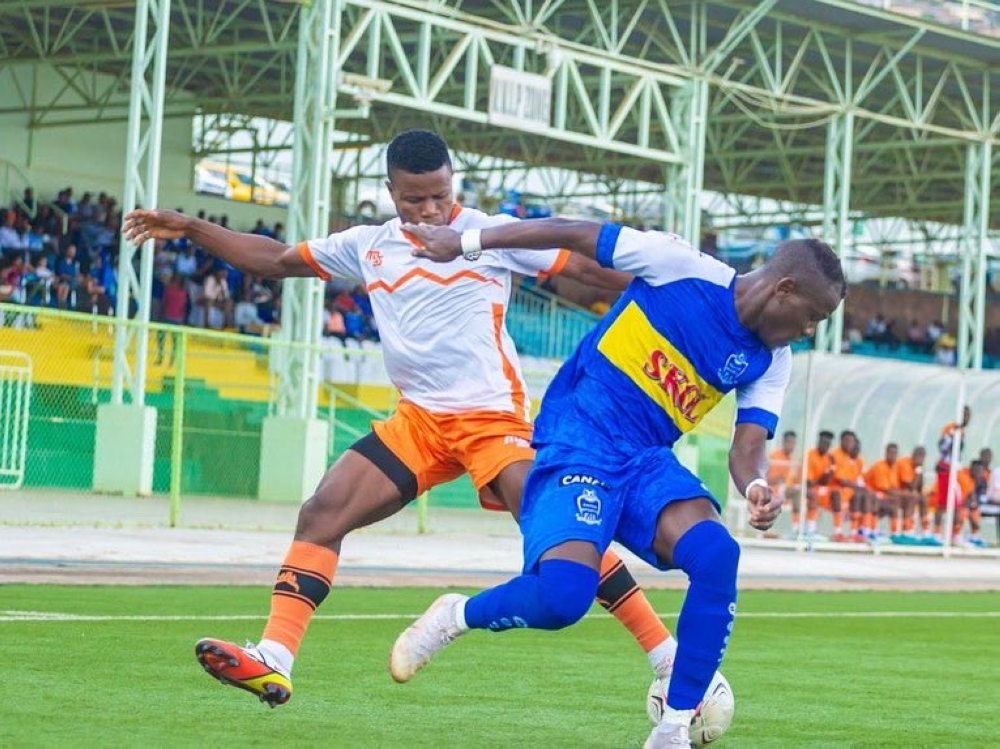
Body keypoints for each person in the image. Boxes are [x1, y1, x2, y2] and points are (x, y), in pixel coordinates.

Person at [123, 129, 677, 708]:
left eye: (440, 195)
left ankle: (667, 658)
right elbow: (276, 259)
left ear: (451, 182)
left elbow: (585, 271)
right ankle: (275, 659)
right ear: (390, 192)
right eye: (416, 199)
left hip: (494, 421)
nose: (431, 209)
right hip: (418, 423)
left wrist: (671, 280)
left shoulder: (487, 234)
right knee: (322, 512)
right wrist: (191, 228)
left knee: (560, 533)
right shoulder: (369, 246)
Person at [387, 217, 844, 749]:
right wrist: (465, 241)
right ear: (784, 289)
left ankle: (672, 729)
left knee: (717, 553)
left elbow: (748, 448)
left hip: (646, 460)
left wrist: (758, 486)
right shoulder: (681, 266)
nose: (811, 330)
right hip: (579, 438)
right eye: (813, 316)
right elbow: (577, 233)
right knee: (561, 600)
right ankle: (456, 615)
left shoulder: (772, 360)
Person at [932, 406, 971, 544]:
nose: (967, 418)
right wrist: (955, 434)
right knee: (944, 502)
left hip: (954, 470)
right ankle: (937, 534)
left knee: (957, 502)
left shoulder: (961, 430)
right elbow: (943, 447)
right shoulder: (951, 428)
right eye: (965, 415)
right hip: (946, 469)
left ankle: (955, 534)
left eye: (968, 415)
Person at [768, 430, 813, 538]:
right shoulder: (774, 456)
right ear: (783, 442)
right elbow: (768, 479)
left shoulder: (793, 459)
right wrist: (781, 479)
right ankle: (796, 528)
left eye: (793, 443)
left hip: (787, 491)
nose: (791, 445)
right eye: (789, 442)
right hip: (773, 490)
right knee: (797, 493)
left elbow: (797, 479)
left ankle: (808, 528)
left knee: (807, 493)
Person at [865, 443, 903, 540]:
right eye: (890, 453)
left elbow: (897, 486)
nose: (892, 455)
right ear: (885, 453)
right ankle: (872, 531)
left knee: (895, 502)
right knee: (878, 500)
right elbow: (883, 487)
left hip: (886, 495)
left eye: (895, 453)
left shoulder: (897, 467)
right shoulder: (879, 466)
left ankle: (895, 534)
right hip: (872, 492)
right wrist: (900, 494)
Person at [806, 430, 840, 540]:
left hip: (822, 489)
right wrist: (824, 476)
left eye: (828, 444)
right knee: (813, 493)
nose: (826, 446)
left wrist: (833, 466)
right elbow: (809, 482)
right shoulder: (810, 455)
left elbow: (826, 481)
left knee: (836, 493)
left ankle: (837, 531)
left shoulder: (829, 458)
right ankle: (811, 530)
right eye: (824, 443)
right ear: (819, 442)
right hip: (807, 488)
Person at [894, 446, 927, 543]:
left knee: (923, 498)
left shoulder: (917, 468)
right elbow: (911, 486)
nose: (920, 459)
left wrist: (919, 471)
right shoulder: (904, 463)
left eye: (922, 457)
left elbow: (919, 488)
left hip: (906, 493)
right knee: (912, 497)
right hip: (895, 491)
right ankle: (907, 530)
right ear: (913, 455)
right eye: (918, 456)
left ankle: (925, 532)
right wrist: (918, 471)